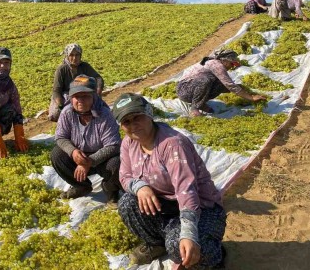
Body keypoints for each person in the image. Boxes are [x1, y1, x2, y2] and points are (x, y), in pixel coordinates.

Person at [112, 93, 226, 268]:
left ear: (149, 114)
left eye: (137, 117)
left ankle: (213, 254)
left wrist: (188, 234)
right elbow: (124, 176)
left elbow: (187, 191)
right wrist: (140, 187)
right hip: (165, 206)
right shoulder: (129, 143)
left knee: (178, 245)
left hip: (201, 208)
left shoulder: (172, 144)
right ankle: (158, 243)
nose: (133, 125)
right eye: (126, 122)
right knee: (127, 202)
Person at [50, 74, 121, 201]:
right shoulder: (67, 113)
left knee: (117, 163)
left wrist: (89, 161)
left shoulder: (104, 114)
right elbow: (60, 137)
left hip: (102, 160)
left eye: (85, 96)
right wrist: (73, 152)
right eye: (76, 96)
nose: (80, 100)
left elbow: (113, 145)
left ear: (93, 96)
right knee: (57, 154)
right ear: (71, 98)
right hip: (78, 158)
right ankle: (81, 186)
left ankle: (111, 190)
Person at [176, 49, 267, 117]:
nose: (232, 67)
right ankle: (194, 109)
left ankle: (200, 103)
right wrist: (251, 97)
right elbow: (230, 85)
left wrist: (242, 89)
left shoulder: (218, 64)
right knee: (206, 79)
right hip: (184, 90)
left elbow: (228, 85)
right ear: (225, 60)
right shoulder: (216, 64)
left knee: (220, 83)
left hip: (193, 88)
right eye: (232, 64)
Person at [48, 43, 105, 122]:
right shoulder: (61, 69)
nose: (75, 58)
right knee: (62, 114)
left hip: (83, 92)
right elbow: (56, 90)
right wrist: (60, 105)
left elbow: (98, 79)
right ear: (67, 56)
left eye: (77, 55)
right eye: (71, 55)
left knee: (101, 109)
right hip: (67, 96)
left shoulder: (84, 66)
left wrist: (98, 92)